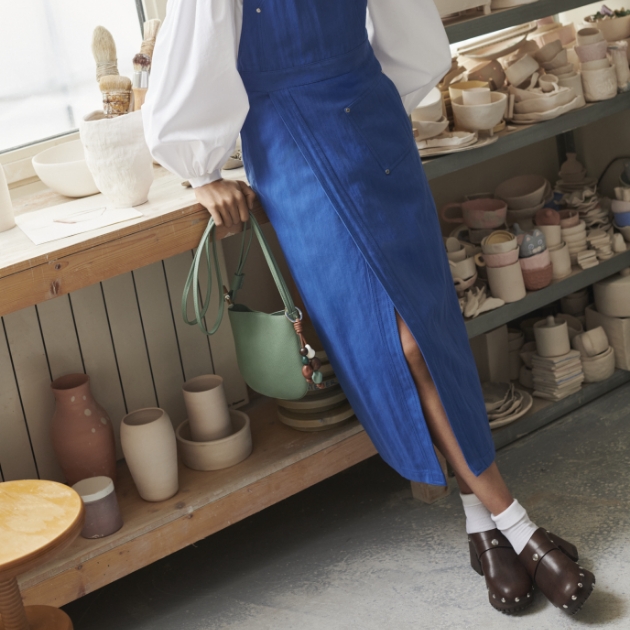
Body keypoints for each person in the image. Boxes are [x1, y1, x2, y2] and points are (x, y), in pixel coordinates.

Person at [143, 0, 594, 615]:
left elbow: (411, 34)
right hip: (292, 145)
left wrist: (376, 97)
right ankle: (519, 527)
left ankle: (481, 525)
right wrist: (199, 169)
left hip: (374, 127)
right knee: (398, 343)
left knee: (433, 331)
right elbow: (197, 45)